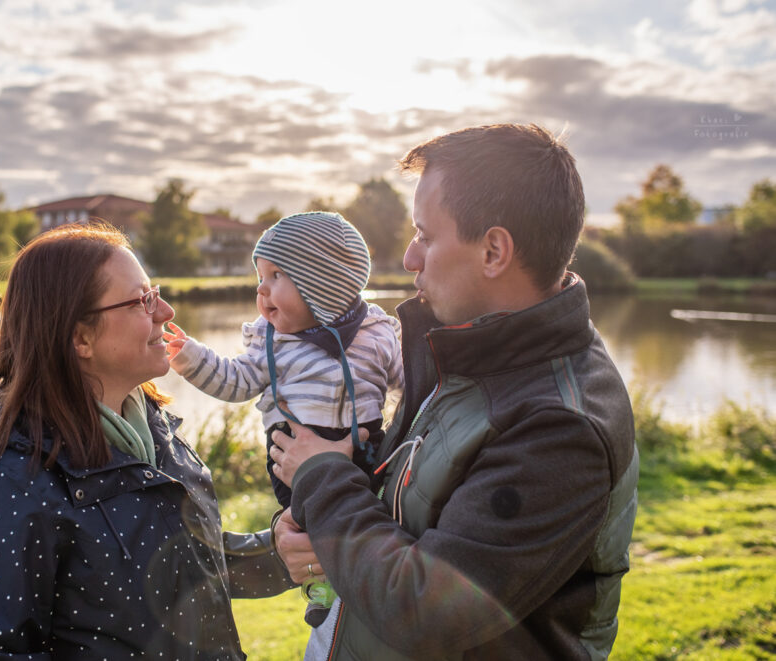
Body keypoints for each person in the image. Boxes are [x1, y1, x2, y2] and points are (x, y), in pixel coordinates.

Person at [270, 124, 639, 660]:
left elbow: (424, 608)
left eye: (425, 234)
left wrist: (320, 477)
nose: (408, 257)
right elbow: (405, 519)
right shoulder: (473, 351)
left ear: (493, 251)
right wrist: (316, 531)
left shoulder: (559, 426)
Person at [0, 223, 291, 660]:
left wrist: (278, 555)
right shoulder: (13, 479)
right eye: (142, 300)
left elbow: (176, 563)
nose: (165, 311)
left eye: (155, 293)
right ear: (80, 338)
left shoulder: (153, 431)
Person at [163, 211, 403, 626]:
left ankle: (366, 581)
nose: (262, 288)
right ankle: (323, 588)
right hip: (291, 456)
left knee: (372, 512)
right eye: (260, 275)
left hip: (366, 446)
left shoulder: (377, 331)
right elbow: (235, 381)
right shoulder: (271, 339)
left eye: (276, 275)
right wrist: (192, 358)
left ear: (322, 284)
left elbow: (410, 385)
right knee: (311, 523)